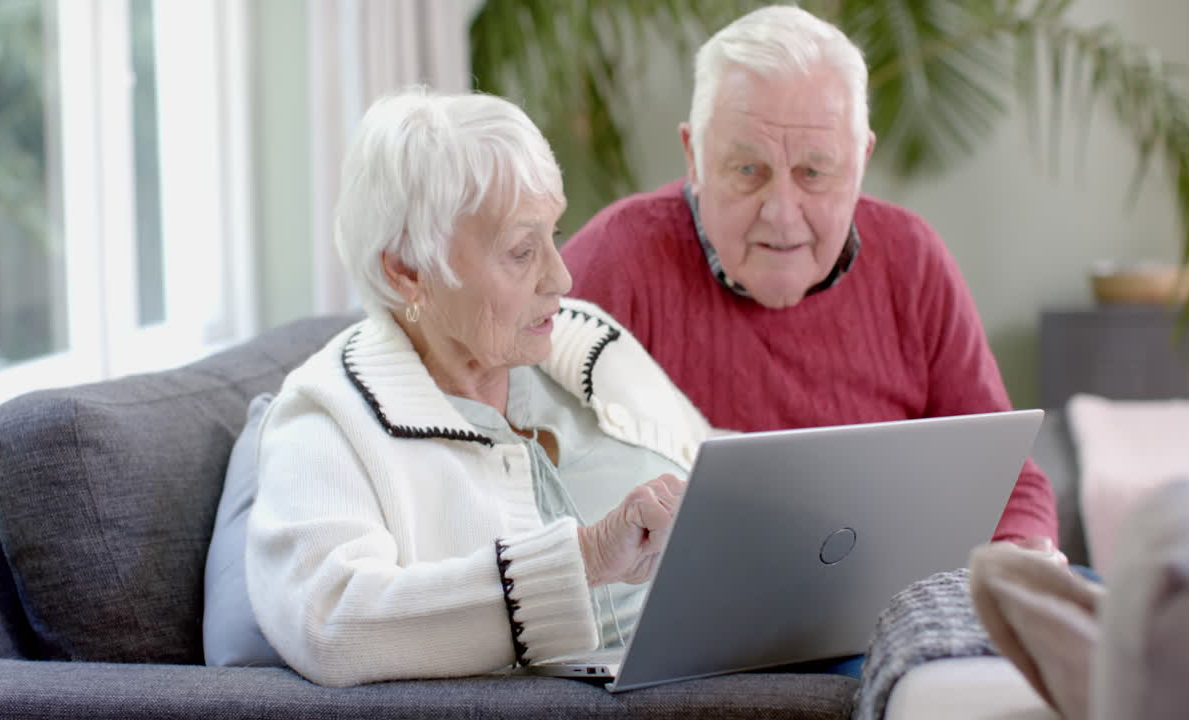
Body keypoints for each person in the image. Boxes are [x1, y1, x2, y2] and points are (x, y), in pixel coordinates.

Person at [242, 88, 712, 687]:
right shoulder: (327, 421)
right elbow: (332, 622)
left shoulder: (584, 342)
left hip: (756, 643)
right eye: (521, 251)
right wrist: (588, 560)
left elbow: (709, 456)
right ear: (407, 270)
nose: (562, 275)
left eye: (553, 233)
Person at [560, 5, 1057, 546]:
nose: (781, 212)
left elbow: (1006, 479)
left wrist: (1020, 567)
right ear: (694, 157)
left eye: (814, 173)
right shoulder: (616, 259)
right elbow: (534, 491)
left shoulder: (912, 260)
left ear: (861, 160)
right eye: (749, 170)